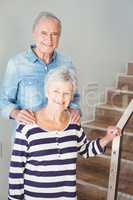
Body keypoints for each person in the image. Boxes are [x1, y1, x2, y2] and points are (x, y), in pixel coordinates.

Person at [8, 66, 121, 200]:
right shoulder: (27, 125)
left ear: (71, 96)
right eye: (56, 91)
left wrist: (108, 137)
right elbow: (16, 170)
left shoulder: (73, 123)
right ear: (47, 92)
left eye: (66, 93)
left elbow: (85, 150)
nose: (60, 98)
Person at [0, 11, 80, 129]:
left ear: (59, 37)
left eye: (54, 34)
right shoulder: (16, 64)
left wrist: (74, 109)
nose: (49, 39)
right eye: (44, 33)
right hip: (29, 138)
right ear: (34, 34)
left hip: (59, 135)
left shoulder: (67, 64)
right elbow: (3, 101)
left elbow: (74, 97)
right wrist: (16, 113)